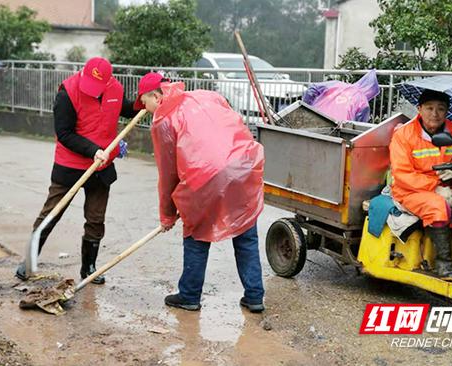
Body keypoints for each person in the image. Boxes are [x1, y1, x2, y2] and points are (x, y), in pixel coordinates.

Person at [135, 72, 266, 312]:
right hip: (244, 165)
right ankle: (255, 296)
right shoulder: (205, 96)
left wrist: (167, 214)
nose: (145, 108)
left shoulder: (163, 121)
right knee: (245, 233)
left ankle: (189, 295)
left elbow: (168, 174)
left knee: (196, 234)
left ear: (156, 96)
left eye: (145, 102)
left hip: (205, 176)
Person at [15, 57, 138, 283]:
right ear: (84, 74)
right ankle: (29, 261)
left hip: (101, 167)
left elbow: (127, 109)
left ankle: (88, 268)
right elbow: (64, 133)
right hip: (70, 166)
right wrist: (92, 150)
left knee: (95, 219)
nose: (93, 91)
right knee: (51, 214)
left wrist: (144, 103)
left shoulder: (115, 89)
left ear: (109, 80)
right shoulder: (68, 93)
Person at [390, 89, 452, 281]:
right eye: (429, 108)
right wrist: (436, 187)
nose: (435, 114)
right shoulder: (404, 135)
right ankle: (444, 265)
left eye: (441, 109)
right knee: (437, 206)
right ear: (419, 109)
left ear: (447, 112)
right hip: (411, 191)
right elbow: (402, 175)